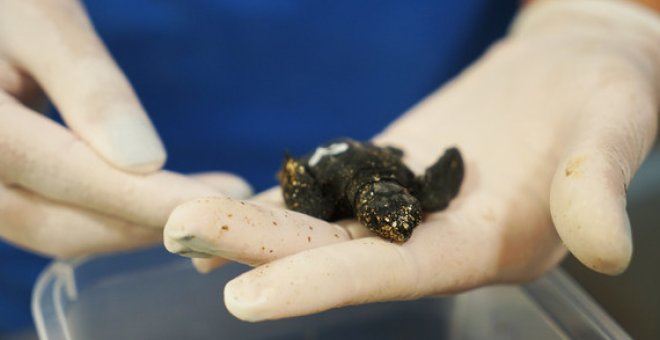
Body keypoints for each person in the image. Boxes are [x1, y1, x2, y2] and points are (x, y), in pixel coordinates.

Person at [1, 0, 659, 333]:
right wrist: (300, 177)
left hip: (446, 102)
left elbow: (433, 177)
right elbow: (315, 178)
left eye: (401, 216)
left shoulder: (409, 190)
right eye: (393, 217)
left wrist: (611, 14)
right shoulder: (328, 194)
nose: (402, 222)